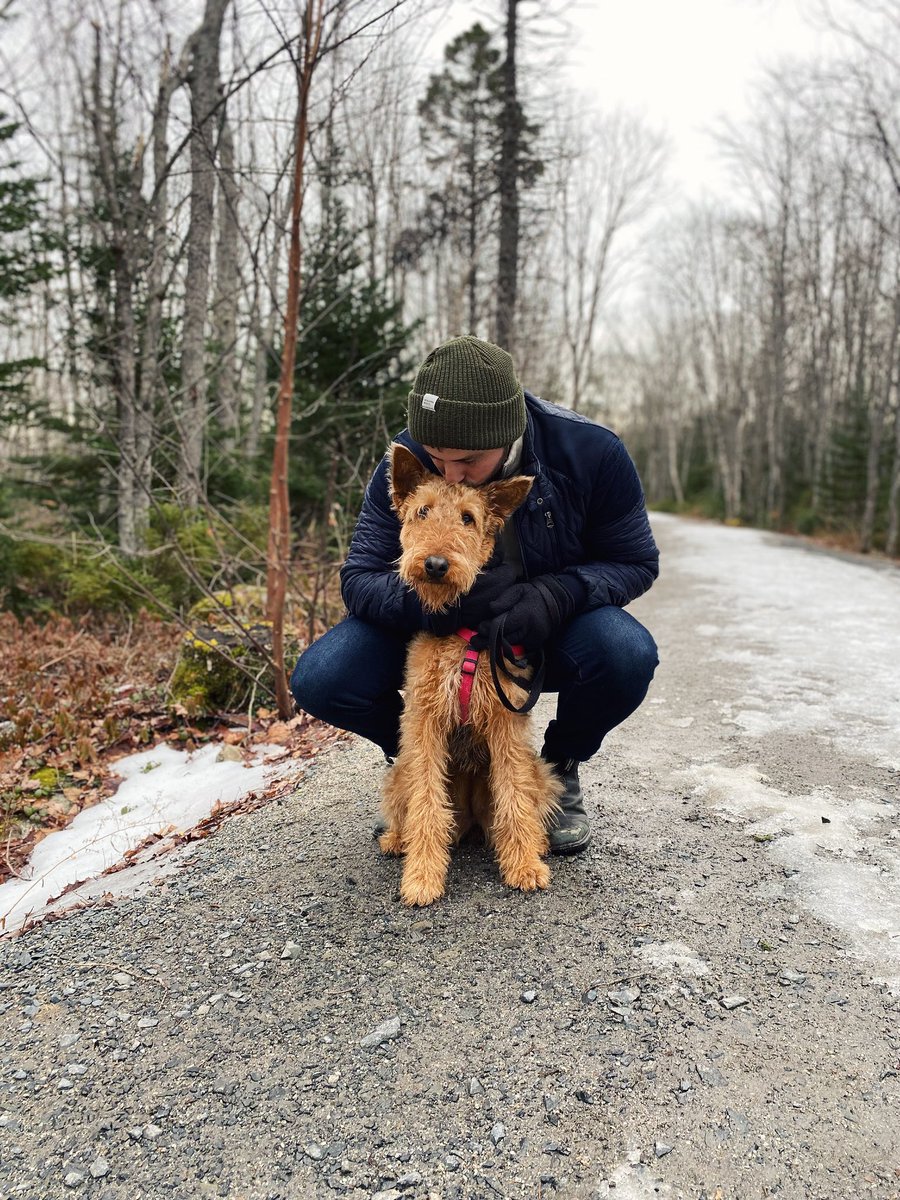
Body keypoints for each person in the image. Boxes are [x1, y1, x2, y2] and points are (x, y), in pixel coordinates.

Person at [291, 335, 659, 854]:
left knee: (626, 653)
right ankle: (423, 768)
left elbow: (637, 562)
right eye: (437, 456)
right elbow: (358, 578)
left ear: (508, 434)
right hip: (436, 631)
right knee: (322, 676)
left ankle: (557, 769)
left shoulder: (591, 452)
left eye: (467, 460)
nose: (449, 472)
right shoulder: (409, 459)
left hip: (541, 628)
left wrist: (557, 595)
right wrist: (434, 608)